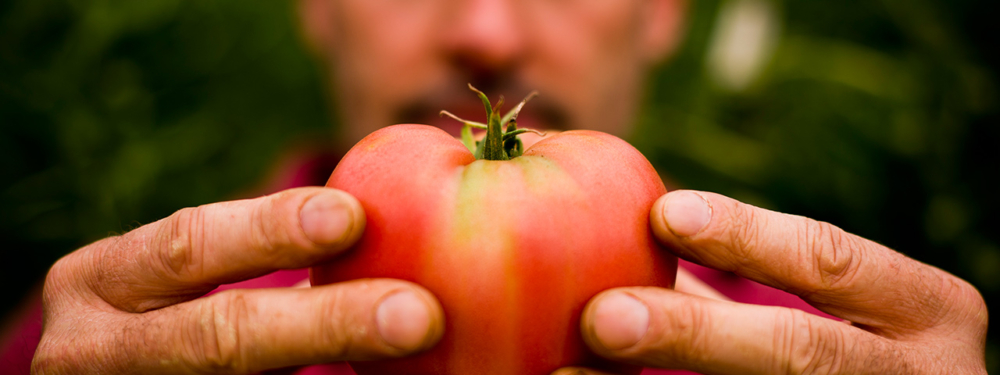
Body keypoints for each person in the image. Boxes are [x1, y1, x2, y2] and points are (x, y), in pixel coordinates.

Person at [7, 1, 987, 374]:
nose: (486, 30)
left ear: (662, 16)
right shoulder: (115, 338)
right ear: (315, 9)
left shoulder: (824, 349)